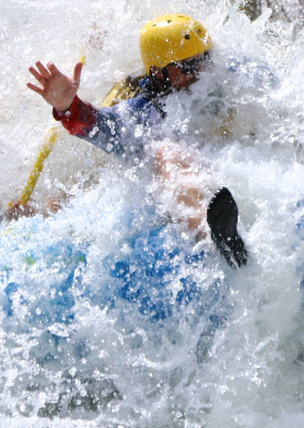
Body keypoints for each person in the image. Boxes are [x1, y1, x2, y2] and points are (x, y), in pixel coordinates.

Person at [27, 14, 248, 266]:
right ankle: (216, 240)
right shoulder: (143, 113)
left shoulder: (228, 80)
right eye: (188, 66)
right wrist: (67, 104)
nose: (202, 71)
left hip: (218, 176)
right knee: (168, 153)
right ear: (158, 72)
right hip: (169, 188)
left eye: (205, 59)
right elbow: (100, 125)